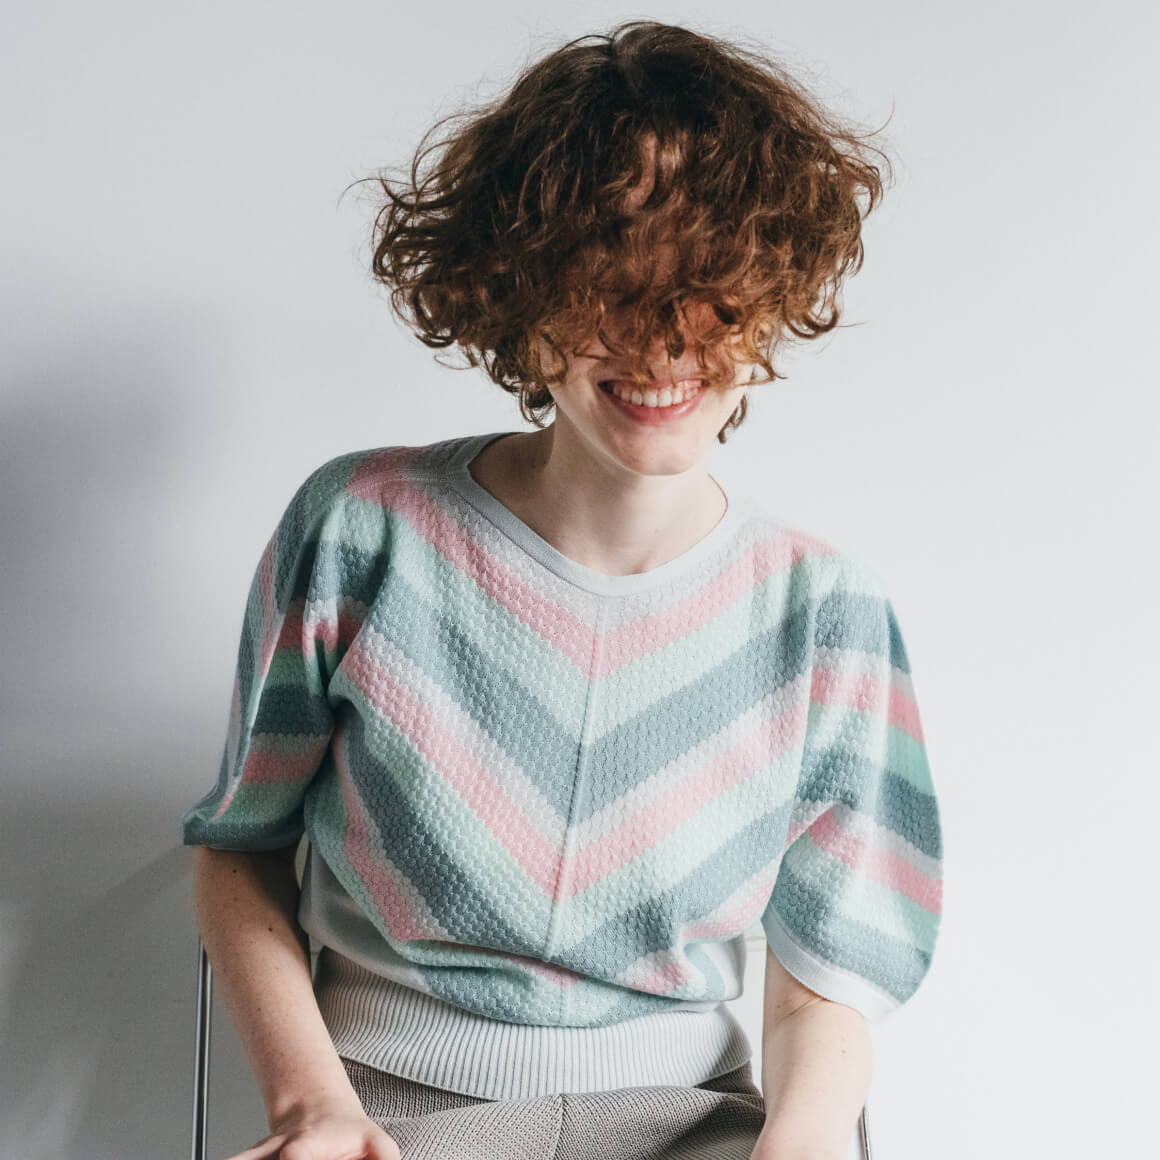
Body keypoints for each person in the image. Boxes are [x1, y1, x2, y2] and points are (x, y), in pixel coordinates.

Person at [181, 19, 943, 1160]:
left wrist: (802, 1140)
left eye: (712, 289)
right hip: (386, 1118)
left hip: (696, 1124)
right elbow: (239, 846)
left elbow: (824, 978)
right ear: (520, 286)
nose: (665, 341)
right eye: (613, 281)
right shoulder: (360, 530)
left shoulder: (827, 617)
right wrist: (312, 1106)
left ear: (771, 293)